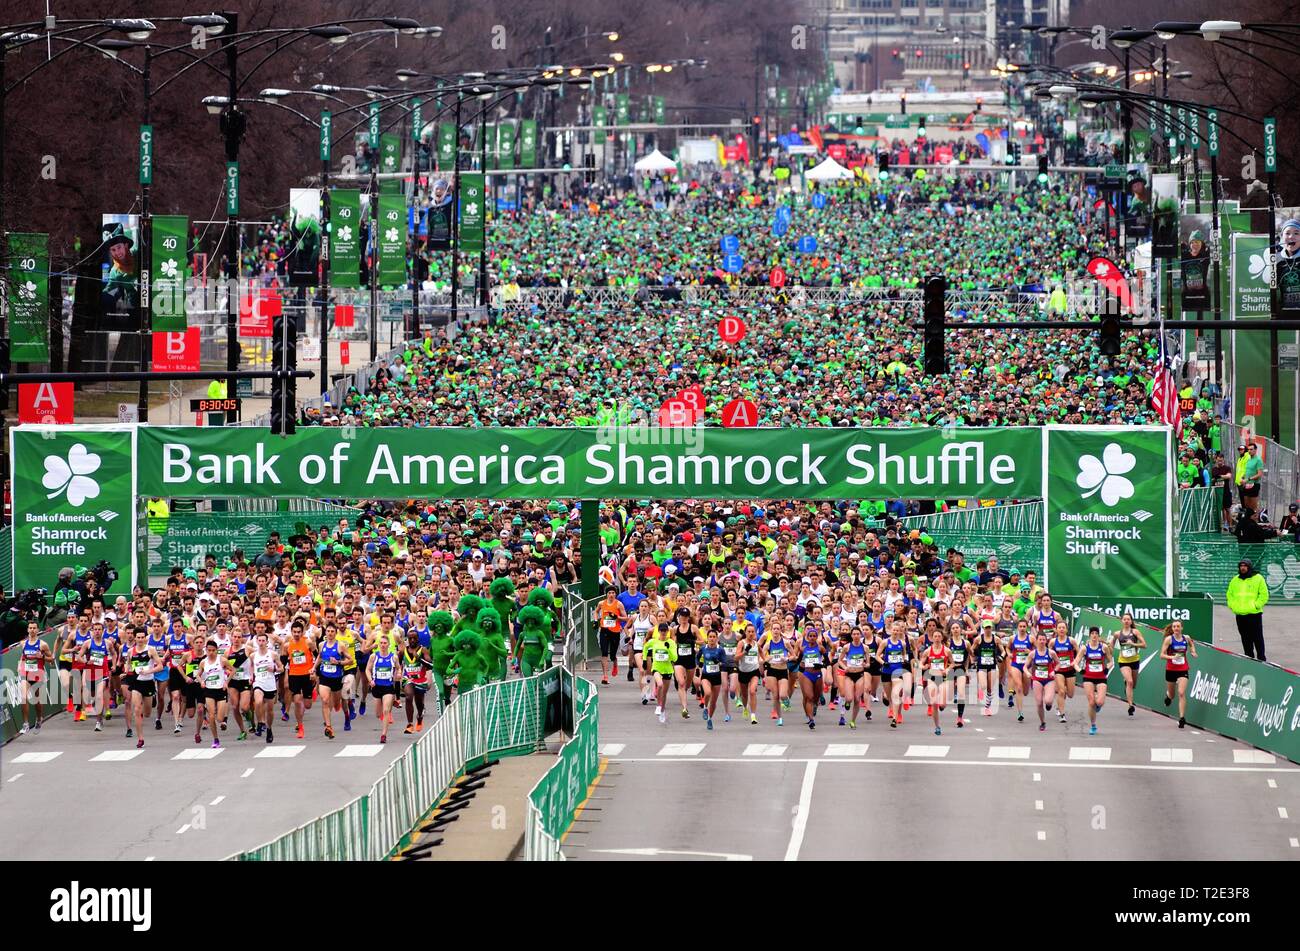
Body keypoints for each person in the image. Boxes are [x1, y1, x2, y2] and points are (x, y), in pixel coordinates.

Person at [1226, 559, 1268, 662]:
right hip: (1240, 615)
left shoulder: (1258, 578)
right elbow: (1229, 594)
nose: (1243, 568)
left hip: (1254, 614)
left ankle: (1261, 659)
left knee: (1257, 638)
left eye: (1245, 566)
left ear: (1249, 567)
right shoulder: (1235, 580)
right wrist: (1233, 606)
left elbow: (1264, 594)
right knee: (1245, 638)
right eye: (1241, 566)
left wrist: (1256, 605)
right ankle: (1249, 659)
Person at [16, 621, 53, 736]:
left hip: (37, 674)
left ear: (37, 630)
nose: (32, 630)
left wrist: (41, 656)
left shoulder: (43, 644)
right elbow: (23, 656)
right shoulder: (23, 643)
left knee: (37, 701)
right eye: (30, 628)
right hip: (26, 674)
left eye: (34, 628)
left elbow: (51, 659)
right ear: (28, 630)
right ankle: (26, 724)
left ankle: (38, 719)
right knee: (23, 697)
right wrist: (19, 665)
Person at [1075, 626, 1112, 735]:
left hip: (1101, 677)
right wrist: (1080, 671)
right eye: (1092, 633)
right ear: (1090, 635)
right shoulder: (1084, 648)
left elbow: (1111, 661)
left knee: (1099, 702)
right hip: (1088, 677)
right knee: (1091, 702)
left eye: (1096, 634)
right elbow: (1075, 662)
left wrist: (1107, 668)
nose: (1094, 635)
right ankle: (1093, 725)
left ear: (1098, 636)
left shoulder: (1104, 647)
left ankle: (1098, 705)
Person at [1160, 620, 1197, 728]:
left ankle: (1181, 718)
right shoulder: (1169, 639)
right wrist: (1172, 657)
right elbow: (1161, 655)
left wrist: (1193, 651)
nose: (1176, 628)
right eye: (1174, 626)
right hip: (1171, 669)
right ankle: (1168, 695)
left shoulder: (1186, 638)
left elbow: (1191, 644)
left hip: (1183, 669)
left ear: (1181, 628)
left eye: (1178, 626)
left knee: (1181, 692)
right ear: (1172, 629)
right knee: (1172, 695)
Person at [1109, 612, 1147, 716]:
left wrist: (1133, 644)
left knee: (1133, 684)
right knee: (1130, 681)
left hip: (1134, 660)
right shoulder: (1117, 633)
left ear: (1131, 621)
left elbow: (1144, 645)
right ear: (1121, 621)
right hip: (1123, 661)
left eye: (1128, 619)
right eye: (1124, 619)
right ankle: (1130, 706)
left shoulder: (1135, 632)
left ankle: (1127, 684)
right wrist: (1110, 649)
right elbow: (1111, 644)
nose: (1126, 621)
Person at [367, 632, 402, 744]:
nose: (382, 645)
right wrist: (370, 680)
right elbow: (367, 670)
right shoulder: (374, 656)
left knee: (386, 711)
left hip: (388, 687)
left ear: (388, 644)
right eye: (381, 643)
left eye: (385, 643)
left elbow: (398, 668)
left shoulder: (393, 657)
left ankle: (383, 734)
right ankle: (390, 706)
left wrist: (399, 673)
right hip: (376, 687)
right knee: (378, 714)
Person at [644, 622, 678, 724]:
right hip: (657, 668)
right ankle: (658, 706)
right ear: (658, 631)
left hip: (667, 669)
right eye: (661, 630)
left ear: (668, 632)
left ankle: (662, 710)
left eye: (665, 631)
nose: (663, 632)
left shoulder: (671, 643)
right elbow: (645, 647)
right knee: (659, 684)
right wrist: (645, 660)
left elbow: (675, 658)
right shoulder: (653, 642)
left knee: (664, 693)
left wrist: (668, 649)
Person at [1026, 632, 1057, 733]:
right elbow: (1025, 666)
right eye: (1040, 639)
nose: (1042, 641)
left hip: (1049, 679)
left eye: (1044, 639)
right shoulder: (1033, 653)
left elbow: (1058, 664)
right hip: (1037, 679)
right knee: (1039, 703)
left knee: (1047, 701)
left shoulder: (1051, 653)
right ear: (1037, 640)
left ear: (1046, 641)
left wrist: (1054, 671)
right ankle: (1042, 722)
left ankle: (1049, 704)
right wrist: (1027, 673)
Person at [595, 587, 626, 686]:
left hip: (615, 631)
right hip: (604, 630)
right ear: (606, 594)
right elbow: (596, 611)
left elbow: (626, 618)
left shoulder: (618, 604)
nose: (611, 595)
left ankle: (615, 662)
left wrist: (617, 617)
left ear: (615, 594)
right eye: (609, 593)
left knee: (612, 655)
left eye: (613, 593)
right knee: (604, 652)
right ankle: (605, 676)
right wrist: (596, 621)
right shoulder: (601, 603)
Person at [697, 629, 725, 730]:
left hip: (717, 677)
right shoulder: (704, 648)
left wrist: (719, 662)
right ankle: (705, 708)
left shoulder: (720, 649)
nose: (712, 639)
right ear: (707, 638)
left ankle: (709, 718)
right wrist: (698, 666)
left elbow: (724, 662)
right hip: (706, 675)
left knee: (713, 702)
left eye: (714, 637)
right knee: (707, 693)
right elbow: (697, 657)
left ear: (717, 638)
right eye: (710, 637)